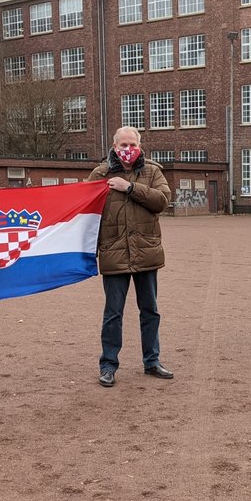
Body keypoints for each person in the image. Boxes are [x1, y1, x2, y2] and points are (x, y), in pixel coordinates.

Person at [88, 126, 173, 388]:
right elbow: (87, 211)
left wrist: (130, 188)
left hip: (146, 252)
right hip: (114, 254)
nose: (127, 149)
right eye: (122, 145)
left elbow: (162, 200)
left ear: (139, 144)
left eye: (131, 144)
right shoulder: (100, 174)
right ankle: (108, 364)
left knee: (150, 310)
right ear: (114, 146)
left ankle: (152, 360)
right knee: (113, 313)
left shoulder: (152, 171)